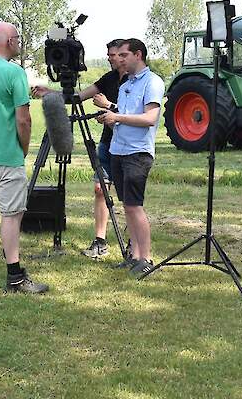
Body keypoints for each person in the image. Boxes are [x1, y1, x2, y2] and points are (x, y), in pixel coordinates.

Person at [0, 22, 48, 294]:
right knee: (12, 215)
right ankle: (15, 275)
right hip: (5, 155)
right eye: (18, 39)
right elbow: (23, 120)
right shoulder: (14, 72)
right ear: (11, 41)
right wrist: (23, 149)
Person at [32, 39, 128, 260]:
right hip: (108, 142)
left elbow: (139, 114)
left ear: (125, 56)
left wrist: (108, 106)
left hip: (128, 144)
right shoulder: (109, 78)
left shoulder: (136, 80)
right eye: (109, 54)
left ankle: (134, 243)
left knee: (128, 196)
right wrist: (51, 93)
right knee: (100, 188)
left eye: (113, 54)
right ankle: (100, 240)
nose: (110, 58)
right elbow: (77, 97)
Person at [96, 38, 165, 278]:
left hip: (137, 153)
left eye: (124, 55)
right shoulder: (126, 82)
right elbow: (123, 115)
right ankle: (134, 256)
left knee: (135, 206)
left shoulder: (153, 82)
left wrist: (117, 118)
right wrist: (109, 116)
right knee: (127, 206)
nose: (119, 59)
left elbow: (149, 119)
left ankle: (146, 258)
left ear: (138, 55)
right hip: (118, 150)